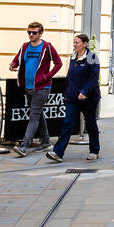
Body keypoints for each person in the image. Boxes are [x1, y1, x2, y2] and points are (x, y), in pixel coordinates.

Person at [10, 21, 62, 156]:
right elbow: (16, 60)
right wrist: (13, 65)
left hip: (42, 87)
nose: (31, 35)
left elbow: (58, 63)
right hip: (28, 86)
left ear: (41, 33)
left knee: (34, 116)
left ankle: (24, 146)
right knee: (38, 114)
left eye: (34, 33)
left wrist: (47, 76)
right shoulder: (24, 46)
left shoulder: (47, 47)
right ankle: (46, 142)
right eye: (29, 32)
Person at [46, 33, 100, 162]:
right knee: (68, 123)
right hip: (73, 98)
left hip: (89, 98)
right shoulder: (73, 56)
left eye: (77, 42)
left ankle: (94, 150)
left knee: (91, 124)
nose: (74, 45)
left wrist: (85, 91)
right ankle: (58, 152)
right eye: (74, 42)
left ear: (85, 44)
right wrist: (67, 93)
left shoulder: (92, 57)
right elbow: (70, 77)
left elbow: (94, 78)